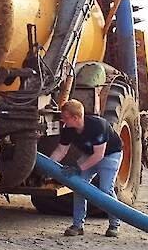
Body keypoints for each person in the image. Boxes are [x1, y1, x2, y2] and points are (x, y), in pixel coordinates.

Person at [49, 99, 124, 237]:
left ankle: (114, 224)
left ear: (75, 118)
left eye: (65, 117)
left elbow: (99, 155)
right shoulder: (68, 129)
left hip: (110, 155)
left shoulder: (97, 126)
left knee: (105, 189)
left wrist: (78, 168)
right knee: (79, 186)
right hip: (90, 154)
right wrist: (49, 166)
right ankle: (78, 225)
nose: (62, 120)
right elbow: (61, 151)